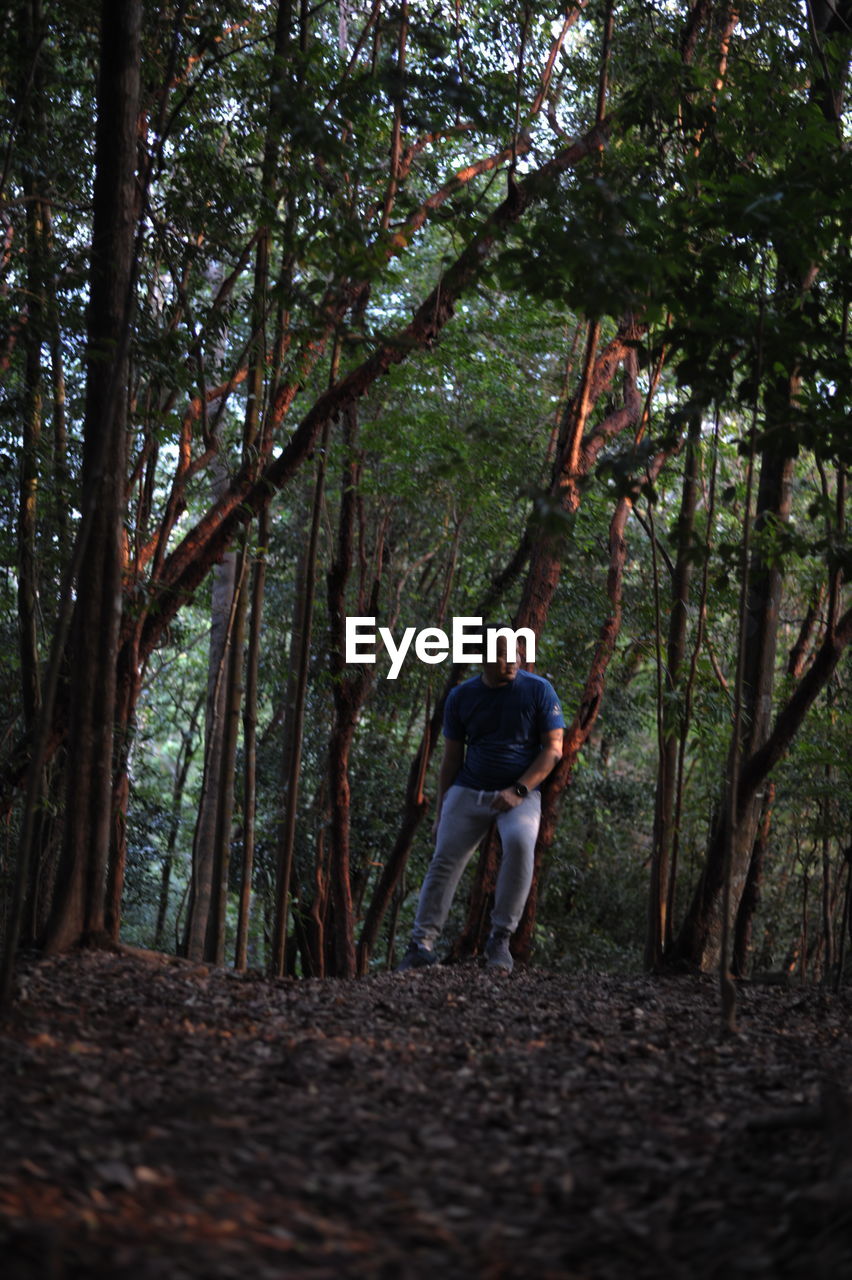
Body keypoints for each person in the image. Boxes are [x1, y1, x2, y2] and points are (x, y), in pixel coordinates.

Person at [397, 625, 565, 974]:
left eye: (516, 653)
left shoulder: (539, 691)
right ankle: (420, 945)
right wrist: (443, 811)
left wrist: (518, 790)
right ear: (482, 658)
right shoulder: (462, 697)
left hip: (521, 792)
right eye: (502, 654)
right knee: (444, 857)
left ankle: (500, 939)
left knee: (520, 845)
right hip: (469, 789)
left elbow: (553, 750)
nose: (512, 661)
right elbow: (451, 759)